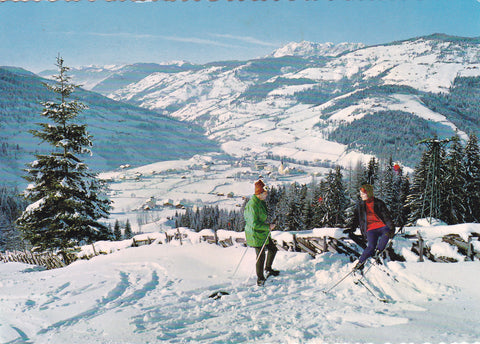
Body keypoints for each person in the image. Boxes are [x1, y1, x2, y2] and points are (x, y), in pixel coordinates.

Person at [350, 184, 395, 272]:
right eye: (360, 194)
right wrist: (352, 228)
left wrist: (391, 228)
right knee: (371, 246)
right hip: (370, 229)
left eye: (363, 194)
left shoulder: (378, 203)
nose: (361, 195)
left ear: (369, 193)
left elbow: (386, 216)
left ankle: (378, 252)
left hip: (382, 227)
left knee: (386, 235)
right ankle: (360, 263)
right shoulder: (360, 205)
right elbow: (356, 218)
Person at [244, 179, 279, 286]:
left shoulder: (260, 202)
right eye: (265, 193)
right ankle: (260, 278)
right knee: (260, 255)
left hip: (262, 232)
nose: (267, 195)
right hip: (255, 233)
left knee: (273, 249)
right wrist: (268, 226)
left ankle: (268, 268)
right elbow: (253, 224)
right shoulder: (253, 205)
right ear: (259, 193)